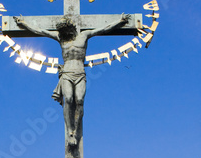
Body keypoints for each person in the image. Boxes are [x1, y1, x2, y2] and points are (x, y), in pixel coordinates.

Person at [14, 14, 130, 147]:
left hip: (80, 73)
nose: (63, 33)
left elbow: (103, 29)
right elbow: (41, 31)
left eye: (65, 30)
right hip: (67, 73)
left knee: (79, 101)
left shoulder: (84, 35)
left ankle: (76, 129)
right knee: (68, 99)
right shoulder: (61, 38)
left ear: (71, 28)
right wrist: (24, 23)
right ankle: (70, 132)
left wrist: (120, 21)